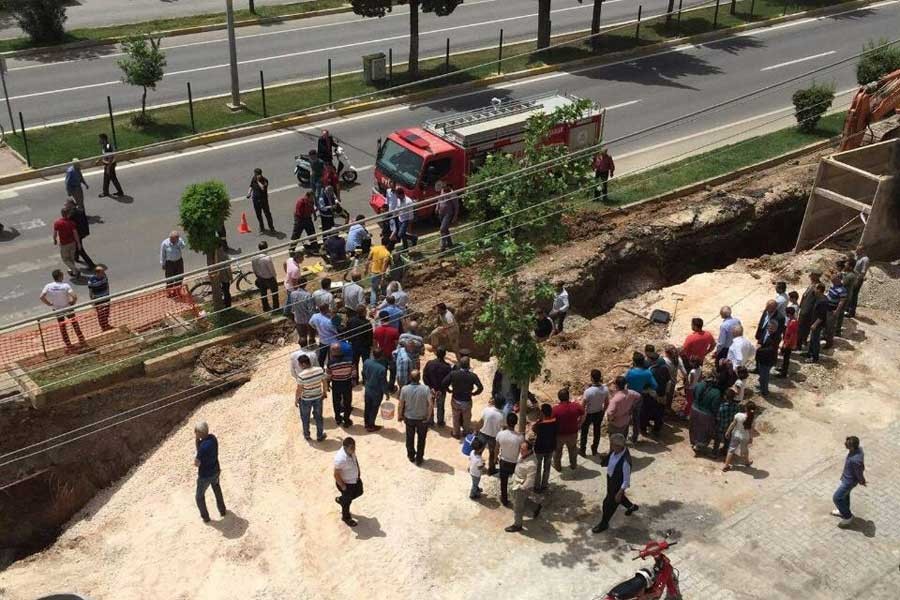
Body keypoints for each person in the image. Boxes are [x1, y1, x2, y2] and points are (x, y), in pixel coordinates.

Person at [592, 433, 638, 533]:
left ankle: (604, 523)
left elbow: (626, 480)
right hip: (611, 480)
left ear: (619, 446)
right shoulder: (615, 451)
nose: (611, 446)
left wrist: (619, 492)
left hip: (617, 485)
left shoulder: (625, 461)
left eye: (612, 445)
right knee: (619, 499)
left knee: (607, 504)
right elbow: (610, 460)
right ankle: (632, 507)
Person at [40, 269, 86, 349]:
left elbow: (41, 297)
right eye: (62, 275)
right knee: (75, 324)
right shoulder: (65, 285)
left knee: (62, 327)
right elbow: (74, 296)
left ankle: (68, 344)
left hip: (57, 309)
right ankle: (82, 340)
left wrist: (49, 304)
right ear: (60, 276)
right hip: (68, 308)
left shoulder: (48, 286)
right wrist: (73, 302)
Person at [505, 441, 543, 533]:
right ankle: (535, 507)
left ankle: (517, 525)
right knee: (524, 500)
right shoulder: (523, 454)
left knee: (518, 507)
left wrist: (521, 488)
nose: (520, 451)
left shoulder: (532, 464)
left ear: (529, 450)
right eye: (520, 448)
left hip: (522, 486)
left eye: (523, 449)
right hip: (517, 481)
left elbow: (530, 480)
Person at [441, 356, 484, 439]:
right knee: (467, 418)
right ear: (468, 365)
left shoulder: (453, 374)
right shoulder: (472, 376)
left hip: (455, 399)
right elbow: (481, 388)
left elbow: (443, 383)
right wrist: (474, 393)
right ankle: (466, 432)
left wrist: (449, 390)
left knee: (455, 417)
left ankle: (456, 433)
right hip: (467, 400)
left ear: (460, 365)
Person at [194, 421, 226, 523]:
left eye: (196, 432)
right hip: (216, 470)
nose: (195, 433)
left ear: (200, 433)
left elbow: (197, 463)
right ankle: (222, 511)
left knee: (199, 497)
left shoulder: (203, 448)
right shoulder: (213, 438)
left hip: (205, 476)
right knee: (217, 490)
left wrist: (197, 442)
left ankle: (206, 518)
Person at [398, 369, 433, 465]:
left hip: (409, 418)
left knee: (409, 438)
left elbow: (401, 404)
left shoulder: (404, 389)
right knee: (421, 439)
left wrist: (399, 415)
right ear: (419, 378)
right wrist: (428, 417)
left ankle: (411, 455)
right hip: (422, 419)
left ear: (410, 378)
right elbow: (430, 404)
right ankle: (419, 458)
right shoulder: (426, 389)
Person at [832, 435, 866, 527]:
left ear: (852, 447)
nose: (845, 446)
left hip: (849, 482)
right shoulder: (858, 449)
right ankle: (843, 510)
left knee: (837, 498)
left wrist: (862, 481)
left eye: (847, 445)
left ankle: (847, 517)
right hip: (846, 478)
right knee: (845, 496)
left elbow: (859, 472)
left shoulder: (856, 460)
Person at [293, 353, 327, 441]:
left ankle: (307, 435)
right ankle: (320, 435)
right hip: (318, 397)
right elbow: (324, 382)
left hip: (306, 400)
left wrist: (296, 399)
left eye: (300, 364)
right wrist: (324, 392)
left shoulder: (301, 375)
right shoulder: (320, 370)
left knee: (305, 418)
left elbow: (299, 390)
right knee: (319, 417)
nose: (299, 366)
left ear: (304, 364)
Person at [552, 388, 585, 471]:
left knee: (557, 451)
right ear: (568, 396)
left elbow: (551, 422)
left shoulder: (555, 409)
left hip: (559, 435)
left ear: (559, 398)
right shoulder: (576, 406)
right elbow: (584, 414)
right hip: (573, 433)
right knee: (573, 450)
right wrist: (580, 423)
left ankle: (557, 467)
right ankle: (573, 465)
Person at [689, 376, 724, 453]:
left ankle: (694, 442)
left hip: (694, 409)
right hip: (706, 414)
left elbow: (693, 393)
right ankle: (698, 445)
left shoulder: (698, 385)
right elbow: (715, 406)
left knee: (694, 427)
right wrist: (715, 416)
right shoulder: (717, 392)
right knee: (703, 431)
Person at [334, 437, 363, 527]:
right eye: (352, 448)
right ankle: (346, 518)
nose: (354, 449)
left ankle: (342, 499)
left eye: (354, 447)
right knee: (347, 503)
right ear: (345, 447)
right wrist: (343, 487)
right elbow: (336, 474)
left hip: (355, 480)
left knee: (360, 492)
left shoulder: (351, 451)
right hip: (346, 484)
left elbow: (355, 460)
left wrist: (358, 471)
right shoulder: (340, 459)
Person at [498, 415, 525, 506]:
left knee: (503, 482)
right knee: (517, 482)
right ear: (516, 423)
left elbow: (496, 447)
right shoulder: (520, 437)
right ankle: (517, 499)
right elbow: (522, 451)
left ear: (507, 422)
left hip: (504, 461)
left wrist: (495, 459)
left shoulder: (500, 434)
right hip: (515, 463)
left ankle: (504, 500)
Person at [579, 369, 608, 457]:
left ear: (591, 378)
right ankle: (594, 449)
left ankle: (582, 450)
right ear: (600, 378)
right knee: (597, 431)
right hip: (599, 412)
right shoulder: (605, 389)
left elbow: (582, 406)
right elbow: (607, 403)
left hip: (589, 414)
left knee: (584, 432)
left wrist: (581, 417)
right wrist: (603, 412)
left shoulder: (588, 391)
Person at [325, 343, 354, 428]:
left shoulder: (330, 363)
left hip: (336, 384)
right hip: (347, 383)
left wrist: (327, 384)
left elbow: (328, 376)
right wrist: (353, 381)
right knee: (347, 402)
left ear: (332, 352)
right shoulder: (350, 360)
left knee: (336, 402)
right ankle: (346, 420)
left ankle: (338, 419)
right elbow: (354, 373)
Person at [532, 403, 558, 493]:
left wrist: (537, 421)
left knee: (538, 468)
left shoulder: (539, 424)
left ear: (542, 413)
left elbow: (534, 429)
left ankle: (536, 486)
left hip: (540, 448)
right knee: (547, 467)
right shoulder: (555, 421)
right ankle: (544, 485)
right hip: (550, 447)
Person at [723, 402, 756, 471]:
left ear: (745, 408)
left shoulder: (738, 415)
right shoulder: (752, 419)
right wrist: (751, 438)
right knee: (745, 450)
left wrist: (728, 431)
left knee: (731, 450)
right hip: (745, 437)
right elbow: (751, 430)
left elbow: (732, 424)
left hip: (735, 434)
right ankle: (747, 462)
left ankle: (726, 466)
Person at [424, 347, 452, 427]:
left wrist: (430, 387)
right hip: (441, 391)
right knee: (441, 406)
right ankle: (440, 422)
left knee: (430, 405)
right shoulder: (447, 367)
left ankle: (430, 421)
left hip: (430, 390)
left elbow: (425, 376)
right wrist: (441, 389)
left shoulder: (429, 363)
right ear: (444, 355)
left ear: (436, 354)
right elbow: (448, 380)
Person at [362, 349, 389, 431]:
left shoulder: (366, 362)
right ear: (381, 356)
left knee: (367, 406)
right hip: (376, 392)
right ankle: (371, 425)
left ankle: (366, 423)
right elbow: (383, 383)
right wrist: (386, 393)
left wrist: (366, 381)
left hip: (368, 389)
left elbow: (363, 373)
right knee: (374, 408)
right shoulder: (382, 369)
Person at [477, 395, 504, 476]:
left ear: (494, 402)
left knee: (478, 451)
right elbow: (504, 427)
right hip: (494, 437)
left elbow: (481, 422)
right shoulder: (503, 415)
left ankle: (476, 467)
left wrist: (476, 430)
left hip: (483, 433)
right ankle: (491, 470)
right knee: (492, 454)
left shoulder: (486, 410)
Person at [251, 241, 280, 313]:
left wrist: (257, 276)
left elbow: (254, 269)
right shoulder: (267, 258)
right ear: (266, 248)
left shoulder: (254, 257)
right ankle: (276, 308)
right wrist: (275, 277)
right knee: (274, 293)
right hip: (269, 278)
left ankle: (265, 307)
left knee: (263, 294)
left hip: (260, 278)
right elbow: (272, 270)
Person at [66, 200, 96, 268]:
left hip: (77, 233)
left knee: (80, 250)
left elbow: (68, 222)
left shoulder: (72, 214)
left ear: (71, 205)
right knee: (77, 246)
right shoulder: (80, 210)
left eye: (67, 205)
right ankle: (76, 258)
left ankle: (91, 265)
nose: (66, 206)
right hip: (83, 232)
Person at [373, 311, 400, 387]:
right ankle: (391, 387)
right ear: (389, 318)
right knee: (393, 371)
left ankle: (383, 385)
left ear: (381, 319)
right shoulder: (394, 331)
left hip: (381, 354)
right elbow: (397, 344)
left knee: (382, 371)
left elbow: (374, 343)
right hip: (392, 354)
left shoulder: (377, 330)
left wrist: (376, 351)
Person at [754, 319, 781, 397]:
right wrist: (759, 343)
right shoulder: (765, 331)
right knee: (761, 374)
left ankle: (765, 392)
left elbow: (771, 349)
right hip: (760, 358)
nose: (770, 329)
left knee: (764, 376)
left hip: (768, 360)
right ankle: (761, 386)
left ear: (776, 328)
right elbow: (760, 339)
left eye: (772, 328)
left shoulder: (777, 337)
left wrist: (759, 349)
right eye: (769, 327)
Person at [52, 207, 80, 277]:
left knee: (65, 259)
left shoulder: (57, 223)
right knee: (71, 258)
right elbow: (75, 233)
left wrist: (54, 239)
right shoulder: (72, 223)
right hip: (72, 243)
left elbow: (55, 233)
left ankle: (75, 270)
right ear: (68, 214)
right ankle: (73, 271)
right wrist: (78, 243)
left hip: (64, 244)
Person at [797, 271, 821, 349]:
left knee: (803, 326)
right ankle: (801, 341)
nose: (810, 277)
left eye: (812, 275)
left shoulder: (818, 286)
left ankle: (800, 343)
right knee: (802, 326)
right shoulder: (812, 284)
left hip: (809, 310)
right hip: (804, 308)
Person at [805, 283, 829, 363]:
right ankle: (809, 353)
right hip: (814, 322)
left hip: (817, 324)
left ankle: (815, 358)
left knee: (815, 340)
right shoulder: (819, 297)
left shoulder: (823, 301)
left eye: (815, 288)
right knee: (812, 339)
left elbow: (821, 316)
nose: (814, 290)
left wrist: (815, 324)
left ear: (819, 290)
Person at [823, 273, 848, 348]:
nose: (832, 281)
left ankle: (829, 342)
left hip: (832, 310)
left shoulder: (842, 290)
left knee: (830, 327)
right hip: (827, 308)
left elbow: (841, 302)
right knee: (825, 325)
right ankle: (825, 336)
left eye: (833, 279)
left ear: (838, 279)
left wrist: (836, 311)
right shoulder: (834, 286)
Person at [289, 281, 315, 347]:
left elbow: (292, 306)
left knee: (302, 337)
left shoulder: (292, 294)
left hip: (298, 319)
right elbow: (311, 309)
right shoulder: (308, 295)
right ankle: (312, 349)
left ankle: (303, 350)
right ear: (305, 284)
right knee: (311, 336)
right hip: (308, 319)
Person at [247, 168, 274, 232]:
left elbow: (263, 188)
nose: (256, 176)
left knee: (267, 214)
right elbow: (251, 186)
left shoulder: (265, 180)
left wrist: (258, 181)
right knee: (258, 215)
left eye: (257, 175)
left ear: (260, 174)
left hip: (263, 201)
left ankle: (271, 228)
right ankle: (262, 227)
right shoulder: (254, 178)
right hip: (255, 200)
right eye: (255, 174)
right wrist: (249, 193)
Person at [714, 389, 740, 456]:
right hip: (730, 428)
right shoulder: (736, 406)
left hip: (721, 427)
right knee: (727, 440)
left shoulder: (721, 407)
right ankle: (725, 451)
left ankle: (714, 453)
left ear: (725, 397)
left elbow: (718, 418)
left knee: (717, 440)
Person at [367, 236, 392, 305]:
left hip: (373, 272)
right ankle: (385, 303)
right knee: (384, 288)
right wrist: (383, 277)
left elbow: (368, 260)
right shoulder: (387, 253)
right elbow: (384, 266)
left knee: (373, 290)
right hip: (381, 273)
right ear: (388, 244)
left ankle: (372, 305)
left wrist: (366, 270)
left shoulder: (374, 248)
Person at [97, 133, 124, 197]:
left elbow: (110, 158)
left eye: (100, 139)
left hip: (110, 165)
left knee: (113, 179)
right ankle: (106, 192)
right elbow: (104, 155)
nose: (99, 140)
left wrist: (108, 168)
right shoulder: (105, 145)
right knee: (106, 179)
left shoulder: (107, 146)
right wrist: (99, 160)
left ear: (103, 139)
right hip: (108, 164)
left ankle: (119, 192)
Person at [845, 246, 869, 318]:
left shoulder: (865, 259)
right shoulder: (857, 257)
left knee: (853, 295)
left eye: (858, 250)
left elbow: (863, 272)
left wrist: (858, 281)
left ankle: (851, 312)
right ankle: (846, 309)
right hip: (852, 277)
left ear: (862, 250)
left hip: (857, 279)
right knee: (849, 293)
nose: (856, 251)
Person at [87, 264, 113, 331]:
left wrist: (108, 295)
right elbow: (90, 291)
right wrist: (92, 301)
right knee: (100, 314)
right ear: (97, 273)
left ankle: (106, 324)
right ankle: (103, 326)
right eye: (102, 272)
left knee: (106, 312)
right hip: (98, 299)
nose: (104, 273)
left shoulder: (104, 276)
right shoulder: (91, 280)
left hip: (106, 297)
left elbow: (107, 285)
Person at [160, 231, 186, 296]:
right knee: (169, 278)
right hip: (169, 263)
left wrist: (179, 243)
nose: (173, 242)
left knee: (179, 277)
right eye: (171, 240)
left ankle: (177, 291)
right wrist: (163, 264)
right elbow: (162, 254)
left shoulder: (179, 241)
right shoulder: (165, 243)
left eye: (174, 240)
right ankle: (169, 292)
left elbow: (183, 246)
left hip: (178, 261)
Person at [837, 260, 858, 337]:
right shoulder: (851, 274)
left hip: (844, 297)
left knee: (839, 313)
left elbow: (841, 283)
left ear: (850, 267)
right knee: (840, 312)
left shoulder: (850, 276)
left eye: (846, 264)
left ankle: (837, 330)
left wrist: (837, 277)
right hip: (846, 295)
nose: (845, 265)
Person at [777, 305, 799, 377]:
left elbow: (792, 336)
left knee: (786, 358)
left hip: (789, 343)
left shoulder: (793, 323)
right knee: (785, 357)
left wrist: (786, 344)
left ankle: (784, 373)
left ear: (789, 314)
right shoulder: (792, 320)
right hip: (787, 341)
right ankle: (783, 369)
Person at [436, 184, 459, 251]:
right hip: (441, 213)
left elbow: (456, 206)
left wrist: (455, 216)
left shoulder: (452, 194)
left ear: (449, 187)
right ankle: (450, 243)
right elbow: (439, 199)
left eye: (444, 187)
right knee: (445, 229)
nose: (443, 188)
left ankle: (443, 246)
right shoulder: (442, 191)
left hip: (448, 214)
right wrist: (437, 207)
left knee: (442, 229)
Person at [213, 239, 233, 308]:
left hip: (218, 275)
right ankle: (228, 305)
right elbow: (228, 268)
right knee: (226, 291)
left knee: (224, 290)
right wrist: (231, 277)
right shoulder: (224, 254)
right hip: (225, 276)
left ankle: (225, 301)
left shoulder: (215, 252)